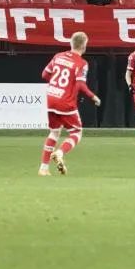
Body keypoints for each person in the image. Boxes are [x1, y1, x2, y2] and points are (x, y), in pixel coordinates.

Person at [39, 32, 101, 175]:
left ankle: (43, 168)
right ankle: (60, 153)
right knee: (76, 132)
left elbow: (44, 75)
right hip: (65, 102)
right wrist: (92, 96)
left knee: (54, 133)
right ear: (84, 46)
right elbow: (80, 85)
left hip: (51, 98)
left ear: (71, 44)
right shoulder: (81, 63)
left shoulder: (58, 56)